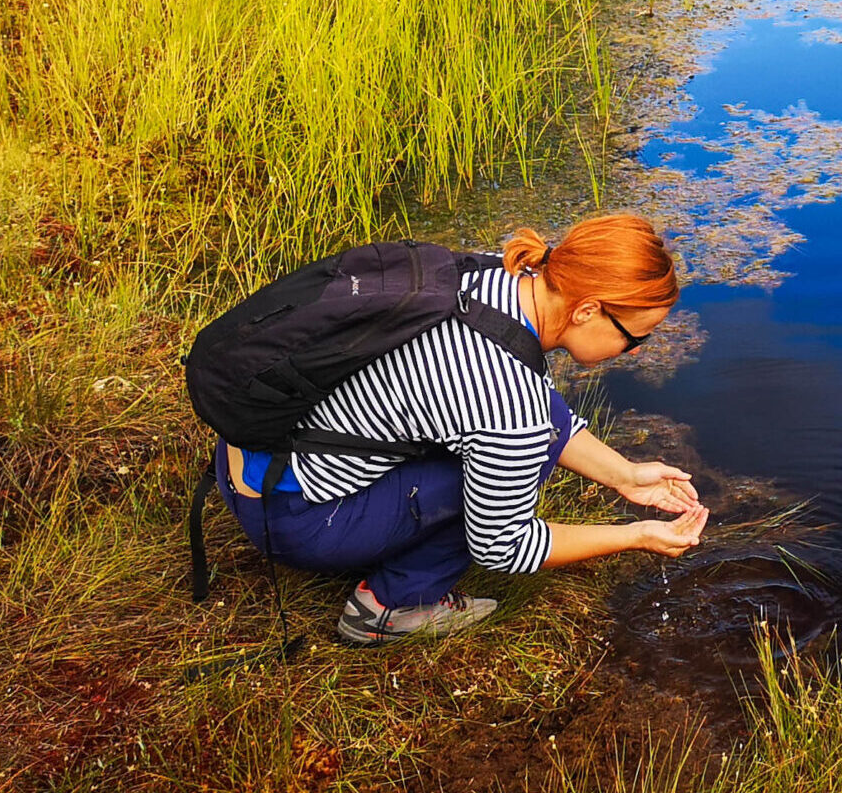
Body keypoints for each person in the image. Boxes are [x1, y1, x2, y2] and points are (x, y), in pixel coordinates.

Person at [214, 214, 710, 645]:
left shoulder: (497, 272)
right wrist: (634, 534)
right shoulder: (511, 408)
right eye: (634, 338)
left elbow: (530, 404)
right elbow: (504, 546)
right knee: (522, 467)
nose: (636, 351)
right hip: (295, 520)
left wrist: (624, 475)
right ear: (586, 311)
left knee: (520, 442)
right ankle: (387, 610)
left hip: (252, 456)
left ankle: (376, 536)